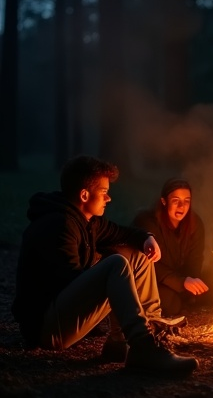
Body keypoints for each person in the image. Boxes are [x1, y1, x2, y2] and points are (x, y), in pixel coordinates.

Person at [11, 155, 199, 375]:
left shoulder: (86, 220)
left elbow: (122, 233)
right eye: (103, 192)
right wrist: (106, 265)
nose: (108, 198)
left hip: (63, 315)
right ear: (84, 195)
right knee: (116, 263)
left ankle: (130, 340)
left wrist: (146, 237)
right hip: (49, 328)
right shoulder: (59, 225)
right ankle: (143, 347)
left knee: (136, 255)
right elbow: (68, 283)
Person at [132, 178, 210, 317]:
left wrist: (192, 282)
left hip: (181, 279)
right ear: (164, 201)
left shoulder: (195, 223)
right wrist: (181, 282)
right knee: (170, 302)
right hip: (152, 280)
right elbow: (149, 264)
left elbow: (196, 259)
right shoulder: (148, 222)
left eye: (186, 201)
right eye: (176, 200)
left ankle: (187, 301)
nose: (182, 206)